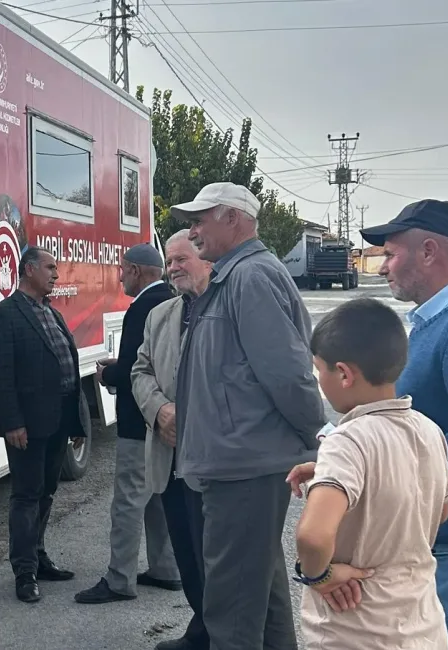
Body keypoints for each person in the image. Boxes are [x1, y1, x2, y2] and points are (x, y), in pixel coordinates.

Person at [170, 182, 328, 650]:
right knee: (262, 596)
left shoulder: (250, 277)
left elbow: (288, 374)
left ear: (233, 218)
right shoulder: (234, 275)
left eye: (201, 220)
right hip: (242, 463)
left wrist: (319, 440)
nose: (193, 231)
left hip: (245, 467)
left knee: (233, 612)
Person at [359, 199, 448, 650]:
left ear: (429, 252)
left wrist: (383, 471)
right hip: (441, 540)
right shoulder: (436, 324)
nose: (382, 269)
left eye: (390, 255)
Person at [287, 297, 448, 649]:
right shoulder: (429, 431)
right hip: (422, 625)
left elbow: (313, 537)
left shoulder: (346, 441)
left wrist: (320, 574)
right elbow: (439, 510)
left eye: (320, 370)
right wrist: (333, 475)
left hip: (356, 630)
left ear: (344, 374)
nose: (320, 380)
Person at [0, 246, 92, 603]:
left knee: (46, 492)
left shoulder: (52, 314)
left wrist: (76, 422)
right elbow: (2, 374)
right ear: (28, 270)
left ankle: (39, 556)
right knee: (26, 496)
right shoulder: (4, 314)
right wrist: (13, 422)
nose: (56, 275)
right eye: (50, 268)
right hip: (28, 424)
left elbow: (68, 369)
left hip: (58, 420)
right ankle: (24, 572)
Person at [76, 243, 180, 605]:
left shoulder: (143, 307)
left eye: (123, 269)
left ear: (136, 270)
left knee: (128, 502)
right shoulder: (173, 299)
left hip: (140, 422)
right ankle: (167, 569)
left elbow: (138, 369)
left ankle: (120, 579)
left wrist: (108, 372)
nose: (120, 275)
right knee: (158, 497)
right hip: (165, 420)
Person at [130, 229, 214, 650]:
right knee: (186, 555)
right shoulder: (160, 314)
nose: (174, 266)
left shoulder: (227, 309)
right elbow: (139, 372)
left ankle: (222, 635)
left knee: (215, 559)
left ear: (208, 258)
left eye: (182, 258)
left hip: (216, 466)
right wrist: (159, 409)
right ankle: (201, 629)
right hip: (170, 459)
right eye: (170, 259)